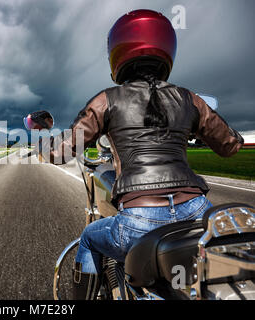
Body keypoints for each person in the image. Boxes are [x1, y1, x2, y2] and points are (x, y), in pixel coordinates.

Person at [37, 9, 244, 300]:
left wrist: (43, 146)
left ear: (118, 51)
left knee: (89, 238)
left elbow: (61, 152)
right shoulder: (188, 98)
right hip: (197, 209)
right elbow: (230, 145)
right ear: (166, 47)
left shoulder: (107, 99)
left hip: (141, 218)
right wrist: (194, 126)